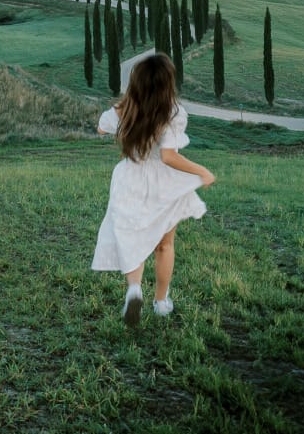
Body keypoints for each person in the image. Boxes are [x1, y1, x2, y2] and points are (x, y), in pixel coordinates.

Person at [91, 52, 215, 326]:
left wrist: (121, 115)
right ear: (167, 83)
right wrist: (202, 171)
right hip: (165, 183)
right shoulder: (173, 113)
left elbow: (101, 128)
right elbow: (168, 156)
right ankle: (160, 302)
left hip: (130, 178)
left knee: (132, 238)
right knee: (164, 244)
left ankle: (134, 290)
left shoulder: (123, 110)